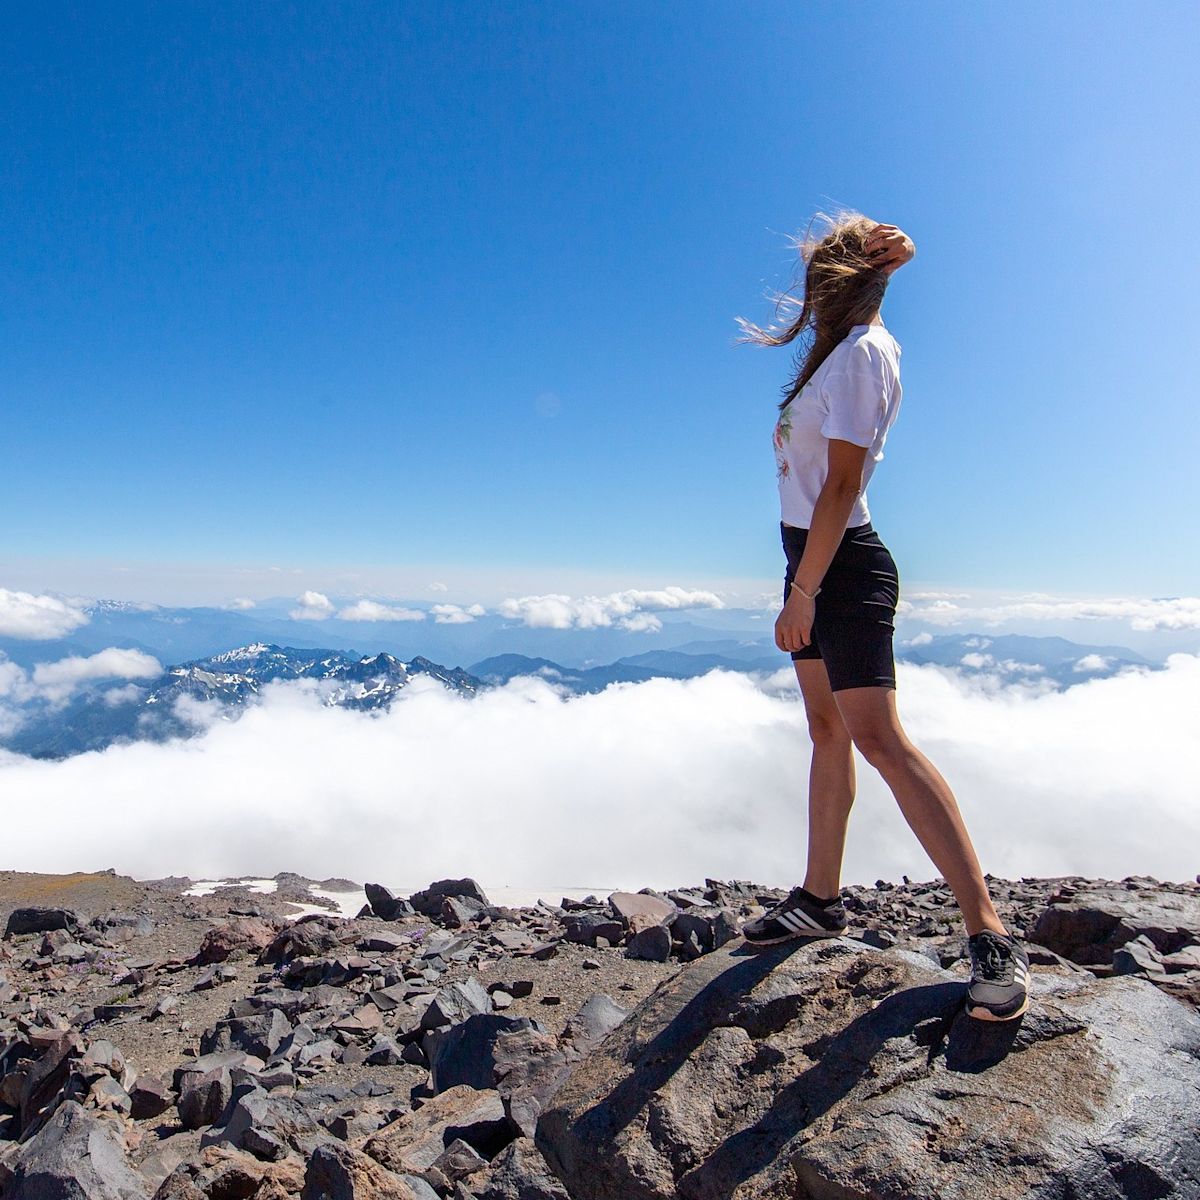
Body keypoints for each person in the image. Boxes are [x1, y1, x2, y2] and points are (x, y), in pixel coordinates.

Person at [733, 211, 1030, 1021]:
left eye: (819, 275)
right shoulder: (837, 357)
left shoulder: (865, 353)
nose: (807, 291)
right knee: (829, 732)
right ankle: (819, 899)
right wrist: (798, 582)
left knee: (881, 739)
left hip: (842, 568)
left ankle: (989, 932)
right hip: (812, 563)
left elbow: (840, 487)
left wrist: (802, 596)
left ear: (843, 281)